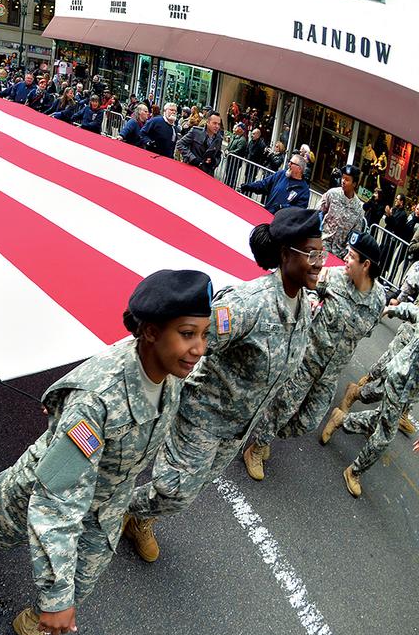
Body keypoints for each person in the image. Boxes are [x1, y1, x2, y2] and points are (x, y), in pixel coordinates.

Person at [0, 270, 212, 635]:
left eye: (204, 334)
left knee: (83, 580)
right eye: (188, 334)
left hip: (107, 501)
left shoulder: (173, 366)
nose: (199, 348)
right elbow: (57, 498)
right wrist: (57, 597)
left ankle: (33, 624)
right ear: (151, 332)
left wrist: (60, 599)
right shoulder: (97, 399)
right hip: (50, 487)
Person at [124, 208, 321, 562]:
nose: (320, 263)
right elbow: (178, 341)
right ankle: (115, 509)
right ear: (285, 254)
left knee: (191, 487)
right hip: (202, 414)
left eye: (322, 254)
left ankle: (140, 517)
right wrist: (129, 390)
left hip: (235, 429)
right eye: (313, 254)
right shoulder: (248, 306)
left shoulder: (302, 309)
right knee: (177, 490)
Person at [244, 231, 386, 480]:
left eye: (351, 257)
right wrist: (310, 301)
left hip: (330, 374)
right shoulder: (333, 276)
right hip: (306, 359)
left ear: (366, 265)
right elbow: (306, 287)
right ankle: (256, 448)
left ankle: (267, 433)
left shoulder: (379, 300)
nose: (345, 259)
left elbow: (367, 331)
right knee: (282, 407)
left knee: (307, 422)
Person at [321, 304, 419, 497]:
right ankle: (354, 471)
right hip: (401, 379)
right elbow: (414, 311)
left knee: (378, 419)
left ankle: (341, 419)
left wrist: (394, 309)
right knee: (384, 436)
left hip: (408, 388)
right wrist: (392, 309)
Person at [319, 165, 367, 257]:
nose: (343, 181)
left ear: (354, 184)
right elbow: (318, 214)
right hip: (323, 245)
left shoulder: (358, 208)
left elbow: (355, 234)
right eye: (342, 178)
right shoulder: (332, 194)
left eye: (347, 179)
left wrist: (347, 253)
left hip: (339, 254)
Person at [239, 153, 310, 213]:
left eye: (292, 163)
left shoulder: (304, 190)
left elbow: (299, 210)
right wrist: (248, 186)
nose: (288, 164)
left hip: (282, 224)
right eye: (289, 161)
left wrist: (282, 207)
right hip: (267, 213)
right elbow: (263, 184)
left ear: (299, 169)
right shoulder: (281, 174)